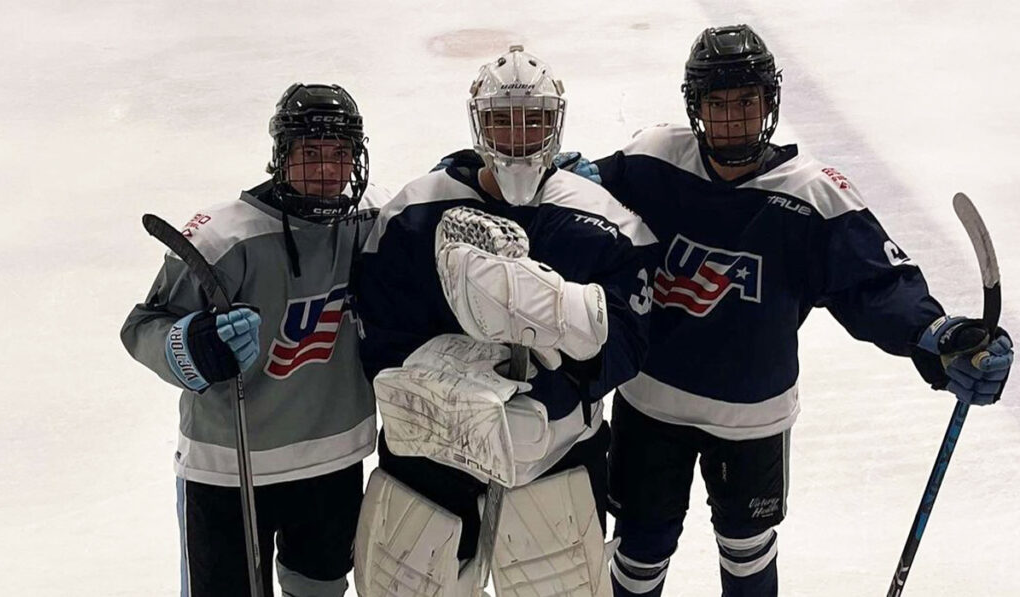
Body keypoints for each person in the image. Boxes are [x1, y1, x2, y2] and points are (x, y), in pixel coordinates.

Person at [552, 24, 1015, 597]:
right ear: (694, 108)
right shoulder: (652, 161)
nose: (732, 120)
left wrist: (935, 332)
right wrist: (549, 186)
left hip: (754, 416)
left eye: (746, 103)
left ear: (769, 104)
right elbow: (580, 215)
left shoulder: (812, 196)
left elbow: (873, 286)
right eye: (717, 105)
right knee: (639, 547)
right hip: (650, 403)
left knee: (748, 550)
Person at [352, 46, 657, 596]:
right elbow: (377, 328)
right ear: (478, 123)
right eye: (501, 121)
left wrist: (562, 371)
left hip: (556, 457)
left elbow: (632, 339)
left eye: (534, 120)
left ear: (555, 123)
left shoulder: (603, 218)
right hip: (429, 466)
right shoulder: (415, 211)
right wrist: (447, 385)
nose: (517, 137)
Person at [121, 83, 390, 596]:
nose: (326, 171)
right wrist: (192, 346)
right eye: (310, 154)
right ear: (281, 157)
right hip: (228, 469)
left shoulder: (373, 219)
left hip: (333, 459)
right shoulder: (222, 238)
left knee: (320, 587)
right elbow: (142, 327)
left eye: (339, 155)